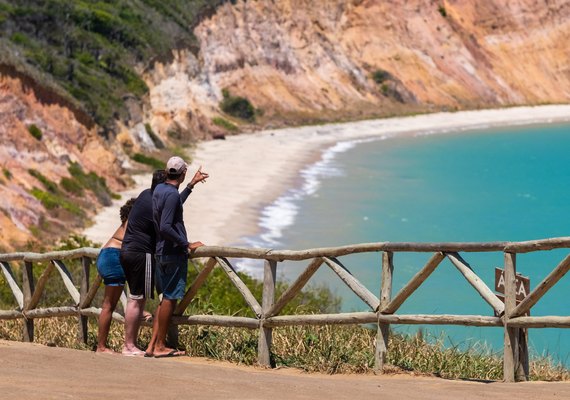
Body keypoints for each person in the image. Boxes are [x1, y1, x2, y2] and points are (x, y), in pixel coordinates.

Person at [146, 156, 208, 358]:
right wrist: (186, 244)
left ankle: (152, 345)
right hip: (173, 252)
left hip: (160, 252)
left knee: (164, 300)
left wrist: (191, 186)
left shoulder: (160, 191)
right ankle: (159, 346)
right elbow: (165, 226)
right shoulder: (170, 194)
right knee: (170, 299)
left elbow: (173, 207)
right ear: (182, 173)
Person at [95, 198, 136, 354]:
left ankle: (102, 346)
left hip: (107, 254)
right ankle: (101, 347)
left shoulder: (126, 222)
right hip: (114, 257)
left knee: (110, 304)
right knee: (109, 305)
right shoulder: (132, 221)